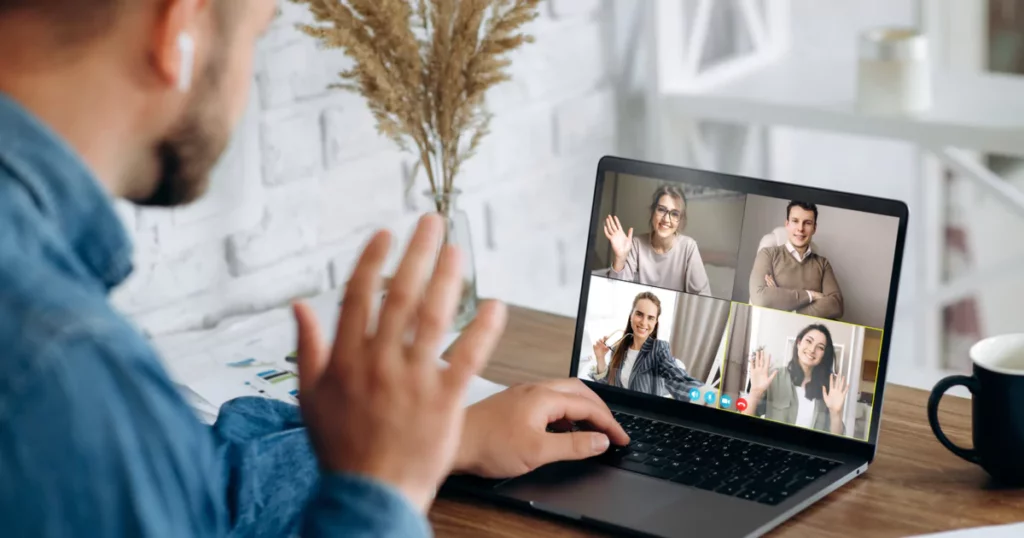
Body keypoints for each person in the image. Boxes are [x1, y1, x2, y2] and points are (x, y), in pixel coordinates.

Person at [0, 1, 630, 536]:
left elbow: (193, 485)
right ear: (178, 32)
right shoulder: (63, 370)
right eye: (256, 35)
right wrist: (386, 495)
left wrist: (438, 443)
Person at [589, 291, 704, 400]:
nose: (644, 322)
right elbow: (608, 385)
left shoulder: (659, 349)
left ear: (655, 322)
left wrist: (702, 395)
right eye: (639, 314)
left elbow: (676, 378)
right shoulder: (617, 349)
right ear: (631, 316)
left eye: (650, 318)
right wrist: (600, 358)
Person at [740, 324, 850, 436]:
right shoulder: (775, 377)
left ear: (824, 355)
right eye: (809, 341)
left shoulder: (827, 390)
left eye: (820, 347)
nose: (812, 350)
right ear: (798, 343)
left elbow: (836, 438)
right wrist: (755, 393)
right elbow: (744, 424)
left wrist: (836, 413)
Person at [603, 184, 712, 296]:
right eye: (661, 210)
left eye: (674, 214)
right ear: (652, 212)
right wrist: (620, 258)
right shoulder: (637, 244)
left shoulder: (689, 247)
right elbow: (615, 290)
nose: (666, 219)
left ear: (680, 220)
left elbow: (703, 295)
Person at [748, 201, 844, 320]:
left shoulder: (823, 264)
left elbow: (836, 306)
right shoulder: (768, 254)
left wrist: (782, 302)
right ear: (787, 224)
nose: (800, 228)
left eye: (807, 223)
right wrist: (811, 295)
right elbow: (760, 298)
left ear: (814, 228)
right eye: (795, 221)